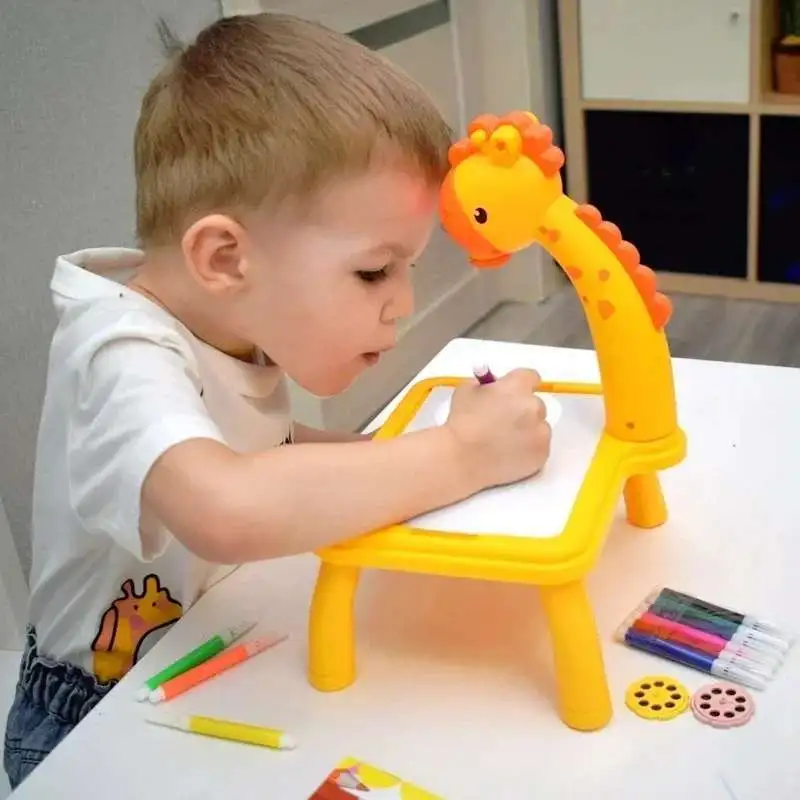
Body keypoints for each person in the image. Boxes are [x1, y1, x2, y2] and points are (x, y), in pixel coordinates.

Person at [3, 12, 552, 789]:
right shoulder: (118, 352)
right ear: (225, 256)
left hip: (203, 652)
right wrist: (458, 454)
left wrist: (392, 454)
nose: (402, 303)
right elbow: (225, 507)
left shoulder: (224, 316)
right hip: (95, 712)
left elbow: (262, 448)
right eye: (374, 272)